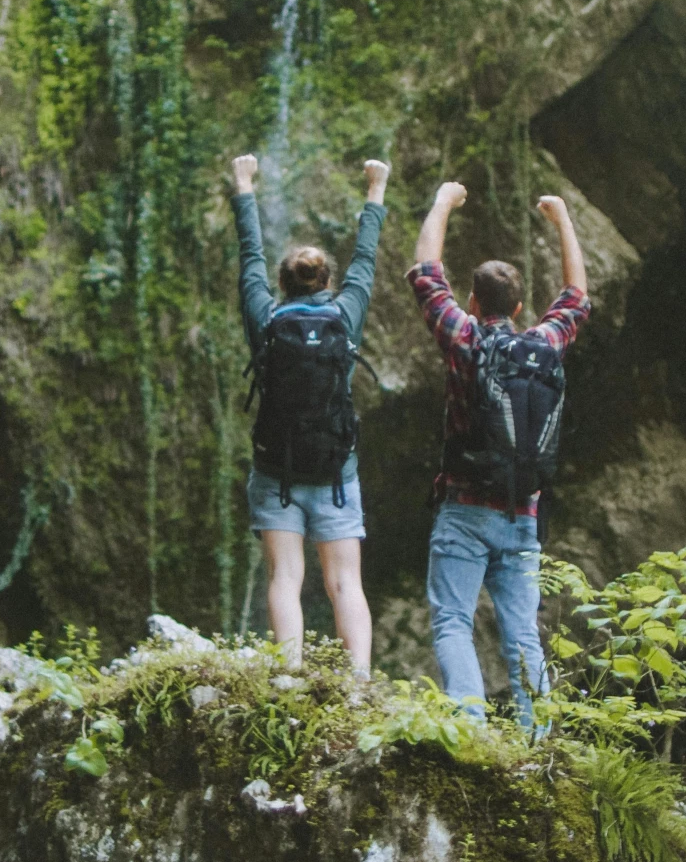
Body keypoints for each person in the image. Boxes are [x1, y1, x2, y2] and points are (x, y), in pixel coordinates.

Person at [407, 182, 590, 721]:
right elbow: (577, 295)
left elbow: (425, 273)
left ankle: (470, 725)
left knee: (452, 623)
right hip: (523, 513)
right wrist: (561, 220)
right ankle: (536, 740)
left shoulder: (464, 341)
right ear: (518, 307)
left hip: (463, 511)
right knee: (522, 638)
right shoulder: (546, 343)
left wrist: (441, 201)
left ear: (471, 301)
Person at [231, 152, 389, 674]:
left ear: (282, 283)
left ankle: (291, 675)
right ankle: (360, 683)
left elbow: (249, 257)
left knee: (285, 578)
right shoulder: (346, 314)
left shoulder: (266, 319)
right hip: (335, 472)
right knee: (345, 582)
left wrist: (244, 185)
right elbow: (366, 259)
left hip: (276, 469)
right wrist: (375, 190)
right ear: (327, 283)